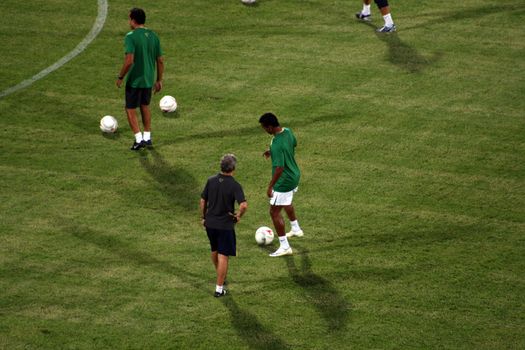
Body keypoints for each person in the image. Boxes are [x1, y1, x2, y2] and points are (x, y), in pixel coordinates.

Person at [116, 8, 164, 150]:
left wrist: (120, 77)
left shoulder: (130, 36)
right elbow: (160, 60)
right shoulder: (154, 36)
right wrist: (159, 80)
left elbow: (129, 60)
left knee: (130, 109)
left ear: (133, 20)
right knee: (145, 106)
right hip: (149, 80)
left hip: (135, 80)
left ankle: (138, 139)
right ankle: (147, 138)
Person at [200, 154, 248, 297]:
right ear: (233, 168)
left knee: (214, 250)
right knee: (223, 256)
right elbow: (244, 205)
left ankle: (220, 276)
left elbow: (203, 201)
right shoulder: (234, 185)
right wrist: (238, 216)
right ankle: (219, 289)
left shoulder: (211, 181)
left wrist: (203, 217)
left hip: (210, 224)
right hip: (225, 226)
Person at [259, 113, 304, 258]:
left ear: (270, 126)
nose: (265, 130)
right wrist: (272, 151)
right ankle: (296, 229)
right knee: (286, 202)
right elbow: (292, 144)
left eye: (265, 128)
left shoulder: (277, 143)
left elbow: (279, 168)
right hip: (295, 174)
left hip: (284, 180)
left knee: (274, 212)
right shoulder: (288, 132)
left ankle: (285, 246)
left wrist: (270, 186)